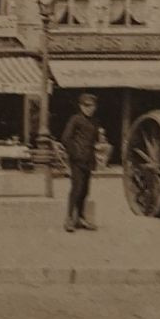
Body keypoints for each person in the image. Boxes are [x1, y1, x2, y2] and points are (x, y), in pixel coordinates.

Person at [60, 93, 100, 233]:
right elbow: (66, 138)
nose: (89, 109)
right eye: (86, 106)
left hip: (88, 160)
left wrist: (93, 158)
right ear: (81, 106)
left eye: (92, 106)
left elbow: (93, 141)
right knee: (76, 189)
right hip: (77, 160)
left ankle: (81, 218)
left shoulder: (94, 122)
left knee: (85, 190)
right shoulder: (75, 119)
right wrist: (75, 154)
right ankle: (69, 219)